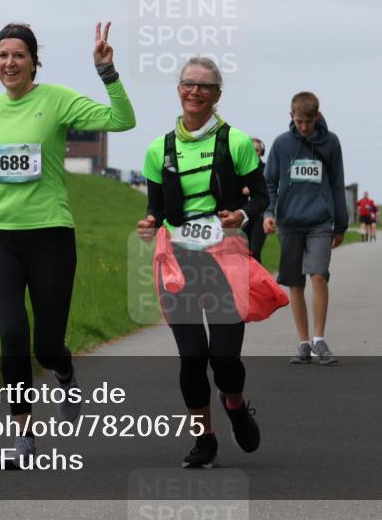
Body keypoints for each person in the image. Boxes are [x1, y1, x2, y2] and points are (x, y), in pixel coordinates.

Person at [0, 22, 136, 467]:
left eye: (18, 55)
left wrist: (107, 72)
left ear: (35, 61)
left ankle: (65, 372)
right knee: (13, 333)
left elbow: (122, 120)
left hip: (51, 235)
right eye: (2, 55)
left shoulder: (56, 100)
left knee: (47, 345)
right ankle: (22, 435)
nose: (9, 63)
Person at [137, 56, 268, 469]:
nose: (195, 91)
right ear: (178, 89)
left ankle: (234, 406)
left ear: (217, 95)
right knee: (192, 358)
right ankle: (204, 439)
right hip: (177, 261)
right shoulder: (160, 149)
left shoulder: (237, 142)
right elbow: (156, 207)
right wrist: (150, 221)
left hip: (225, 258)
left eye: (205, 86)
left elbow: (262, 195)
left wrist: (242, 215)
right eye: (188, 84)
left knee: (224, 361)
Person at [263, 92, 348, 365]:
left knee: (319, 275)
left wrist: (341, 224)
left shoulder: (330, 143)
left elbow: (337, 184)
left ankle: (319, 341)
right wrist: (268, 212)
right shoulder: (281, 145)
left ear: (318, 116)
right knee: (295, 283)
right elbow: (269, 183)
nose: (304, 127)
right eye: (299, 122)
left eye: (309, 122)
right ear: (291, 117)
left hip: (320, 222)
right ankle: (303, 343)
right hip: (289, 223)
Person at [244, 138, 268, 262]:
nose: (254, 153)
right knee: (243, 251)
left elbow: (270, 188)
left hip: (260, 215)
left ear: (261, 152)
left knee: (255, 250)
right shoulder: (240, 168)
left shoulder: (266, 169)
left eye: (257, 150)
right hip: (243, 214)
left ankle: (258, 280)